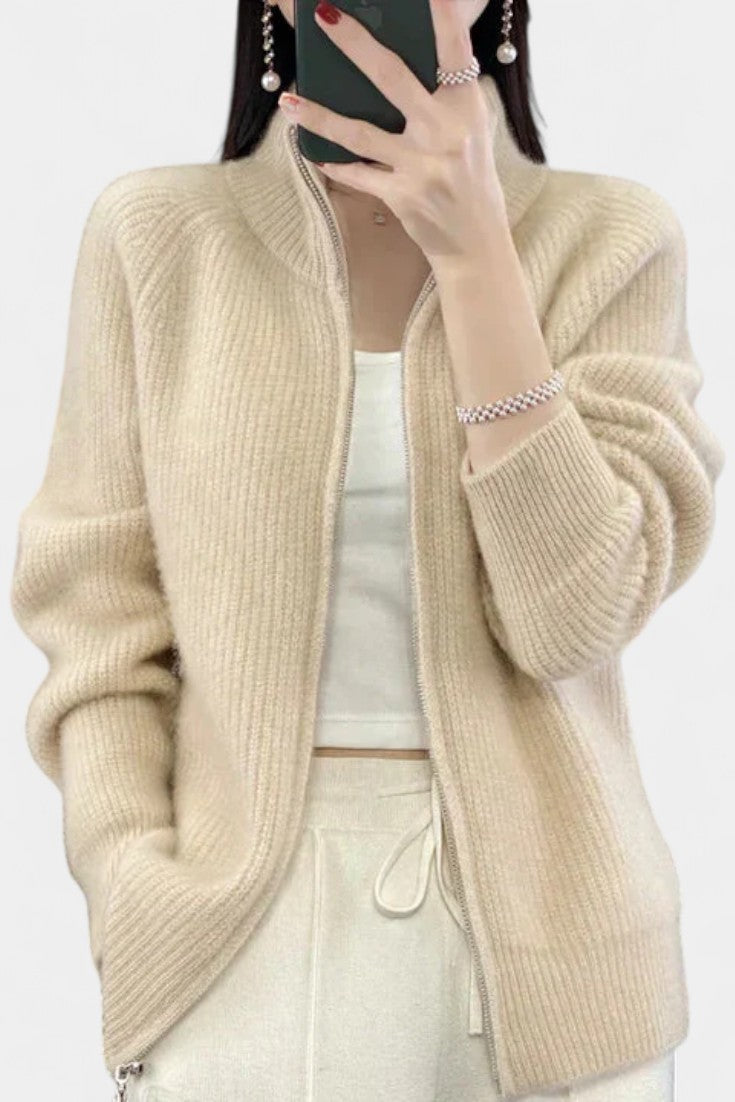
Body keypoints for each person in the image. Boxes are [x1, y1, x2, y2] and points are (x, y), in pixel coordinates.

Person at [10, 1, 725, 1099]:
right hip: (236, 946)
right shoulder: (158, 236)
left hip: (562, 983)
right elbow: (94, 615)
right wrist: (132, 884)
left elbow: (571, 620)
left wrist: (478, 257)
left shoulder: (611, 239)